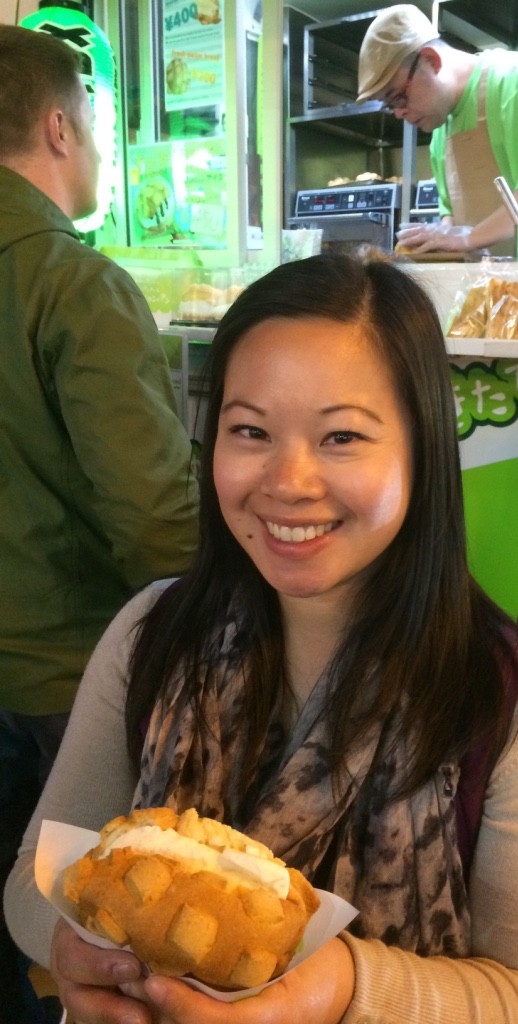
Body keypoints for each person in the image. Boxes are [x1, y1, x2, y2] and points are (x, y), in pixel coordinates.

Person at [5, 253, 518, 1024]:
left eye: (342, 438)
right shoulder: (152, 635)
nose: (287, 481)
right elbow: (36, 878)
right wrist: (72, 950)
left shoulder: (510, 705)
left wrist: (344, 989)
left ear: (422, 449)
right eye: (250, 429)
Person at [0, 24, 199, 1022]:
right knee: (75, 934)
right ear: (57, 126)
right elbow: (156, 513)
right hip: (60, 682)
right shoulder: (73, 283)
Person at [358, 5, 518, 256]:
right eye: (390, 106)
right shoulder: (440, 131)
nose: (398, 113)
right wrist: (433, 240)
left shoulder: (516, 80)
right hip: (490, 286)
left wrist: (469, 237)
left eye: (399, 98)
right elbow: (451, 219)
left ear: (431, 61)